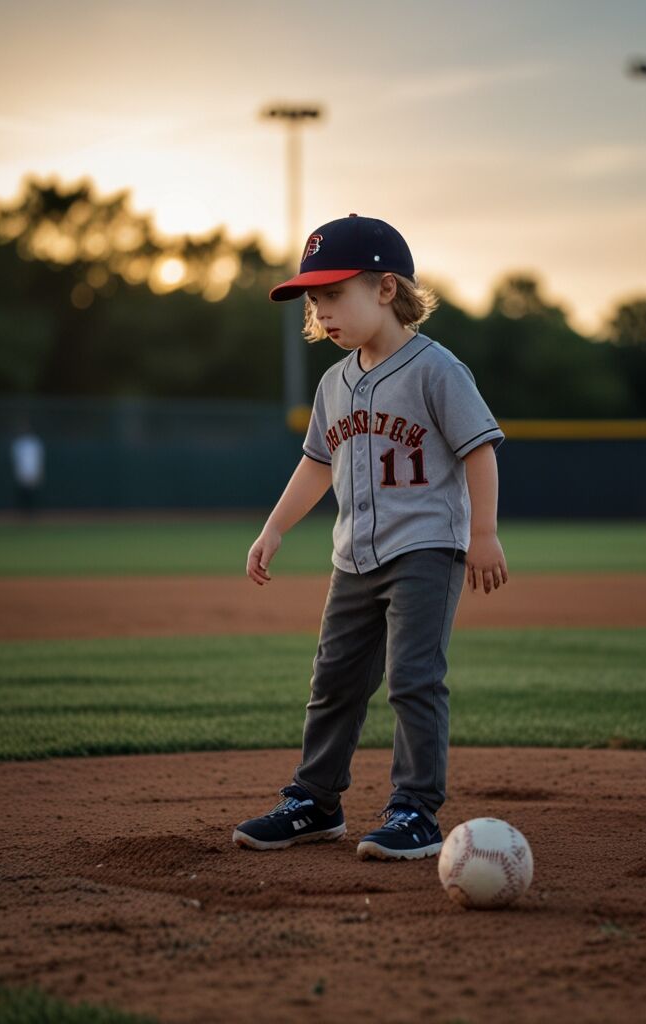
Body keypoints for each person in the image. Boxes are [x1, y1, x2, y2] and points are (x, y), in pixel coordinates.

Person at [232, 214, 508, 861]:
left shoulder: (437, 369)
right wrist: (275, 528)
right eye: (313, 300)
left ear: (386, 289)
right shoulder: (334, 384)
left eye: (334, 294)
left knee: (413, 679)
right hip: (352, 558)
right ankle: (315, 800)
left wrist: (484, 532)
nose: (321, 311)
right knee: (334, 681)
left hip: (426, 549)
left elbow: (480, 450)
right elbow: (317, 464)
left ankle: (415, 810)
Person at [10, 423, 45, 517]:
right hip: (22, 471)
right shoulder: (18, 443)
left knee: (32, 494)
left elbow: (39, 458)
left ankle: (32, 514)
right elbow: (15, 459)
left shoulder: (34, 442)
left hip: (33, 471)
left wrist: (38, 472)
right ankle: (22, 514)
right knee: (22, 493)